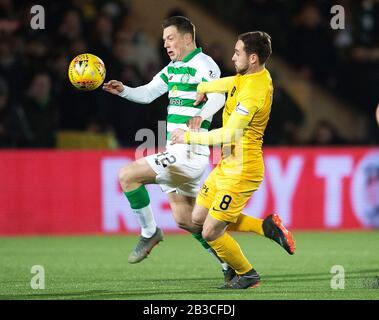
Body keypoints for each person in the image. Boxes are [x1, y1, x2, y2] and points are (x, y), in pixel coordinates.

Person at [103, 16, 231, 275]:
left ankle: (150, 233)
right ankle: (231, 265)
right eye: (164, 41)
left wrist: (202, 115)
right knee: (187, 219)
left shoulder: (204, 64)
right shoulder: (173, 67)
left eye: (170, 38)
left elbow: (218, 96)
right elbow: (148, 92)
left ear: (187, 38)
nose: (166, 45)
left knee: (127, 175)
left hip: (190, 152)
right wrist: (124, 90)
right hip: (176, 152)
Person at [171, 31, 296, 289]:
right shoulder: (253, 75)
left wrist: (188, 137)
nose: (232, 56)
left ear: (252, 58)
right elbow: (232, 84)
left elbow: (229, 133)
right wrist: (204, 87)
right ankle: (265, 227)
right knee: (197, 218)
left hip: (243, 170)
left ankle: (248, 275)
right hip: (227, 164)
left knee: (210, 232)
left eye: (237, 52)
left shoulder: (254, 93)